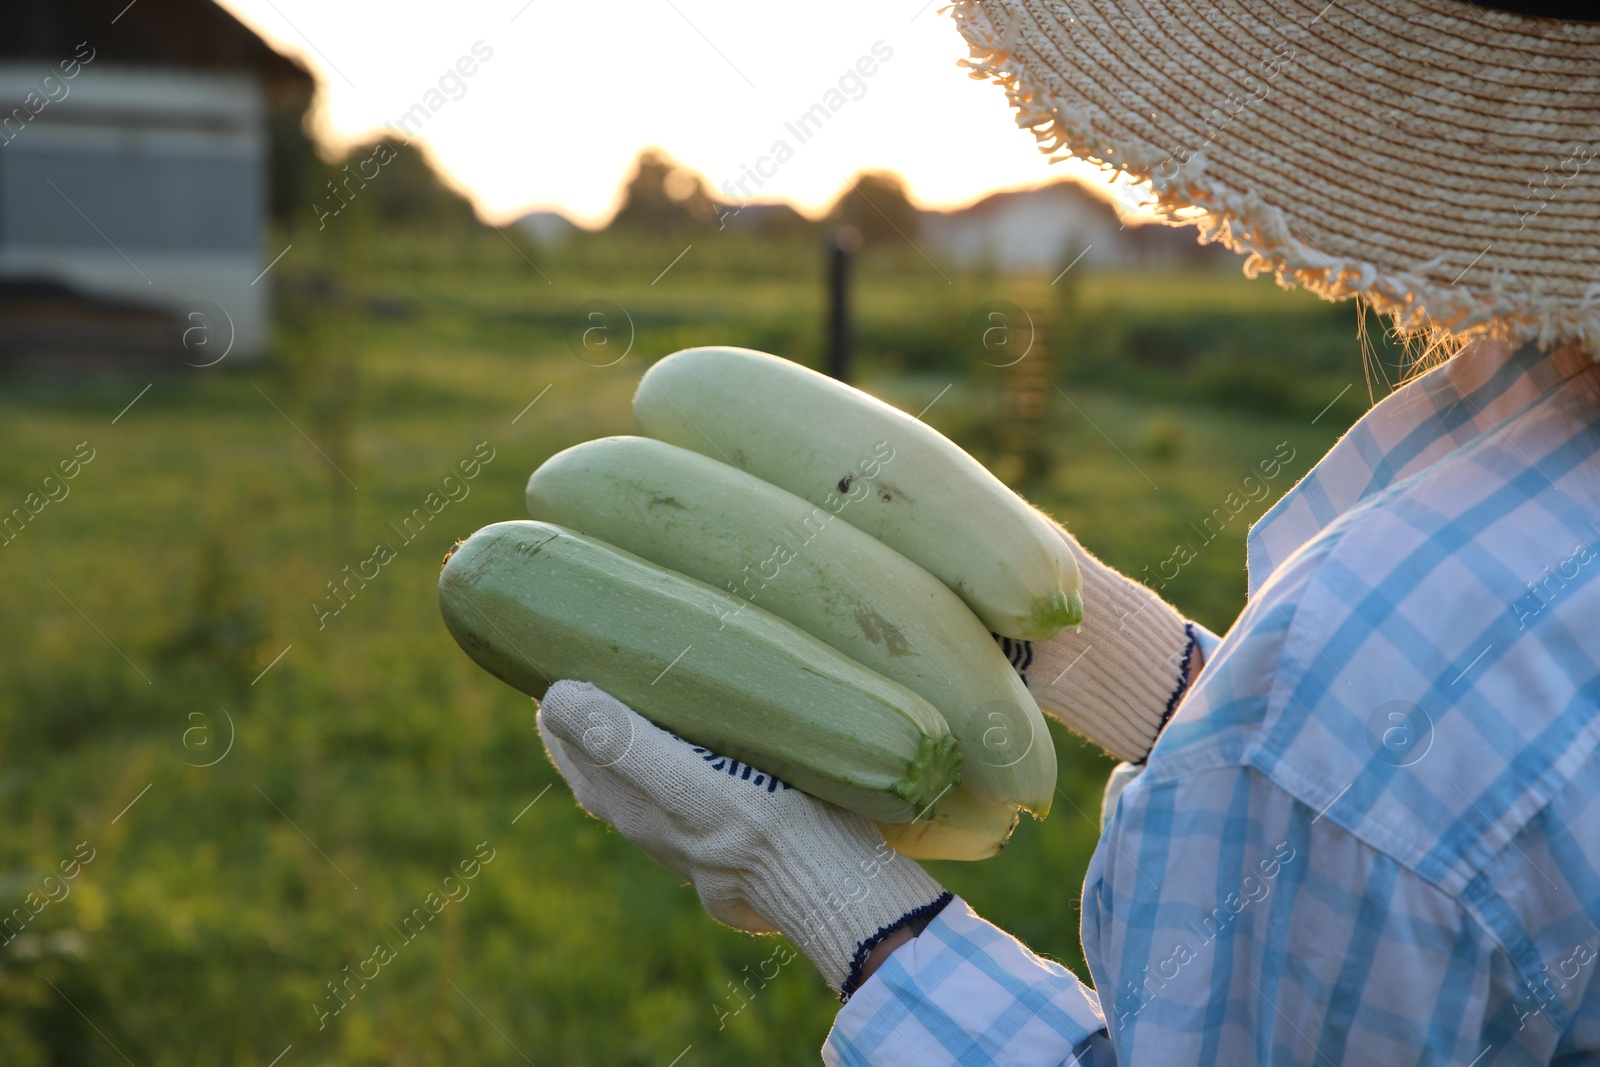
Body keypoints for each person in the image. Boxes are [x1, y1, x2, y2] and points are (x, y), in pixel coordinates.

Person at [536, 1, 1600, 1062]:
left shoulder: (1377, 656)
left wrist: (848, 908)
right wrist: (1164, 680)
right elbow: (1476, 823)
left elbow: (1406, 773)